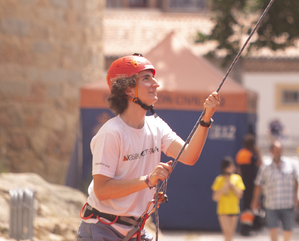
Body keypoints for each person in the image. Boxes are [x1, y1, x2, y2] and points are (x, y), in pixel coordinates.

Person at [78, 53, 221, 241]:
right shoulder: (111, 133)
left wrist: (206, 119)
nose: (156, 84)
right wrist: (148, 180)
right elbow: (102, 191)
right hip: (102, 230)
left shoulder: (156, 125)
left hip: (135, 230)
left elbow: (188, 156)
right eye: (146, 78)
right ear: (128, 90)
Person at [251, 141, 299, 241]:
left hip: (287, 203)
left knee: (288, 229)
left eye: (280, 150)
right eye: (276, 150)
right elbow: (258, 184)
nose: (279, 152)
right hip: (271, 204)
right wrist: (255, 200)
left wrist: (296, 197)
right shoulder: (265, 166)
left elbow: (296, 181)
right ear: (271, 151)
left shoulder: (290, 164)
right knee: (273, 229)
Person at [212, 156, 245, 241]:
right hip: (223, 211)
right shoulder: (219, 179)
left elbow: (240, 195)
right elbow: (215, 197)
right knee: (227, 232)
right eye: (230, 166)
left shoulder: (237, 178)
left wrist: (232, 185)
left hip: (234, 210)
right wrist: (223, 189)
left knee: (231, 234)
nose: (232, 168)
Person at [235, 134, 261, 236]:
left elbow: (239, 169)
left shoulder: (240, 153)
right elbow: (260, 163)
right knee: (249, 206)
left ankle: (244, 228)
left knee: (245, 206)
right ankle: (246, 229)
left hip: (243, 183)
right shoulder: (251, 155)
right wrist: (258, 151)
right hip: (250, 184)